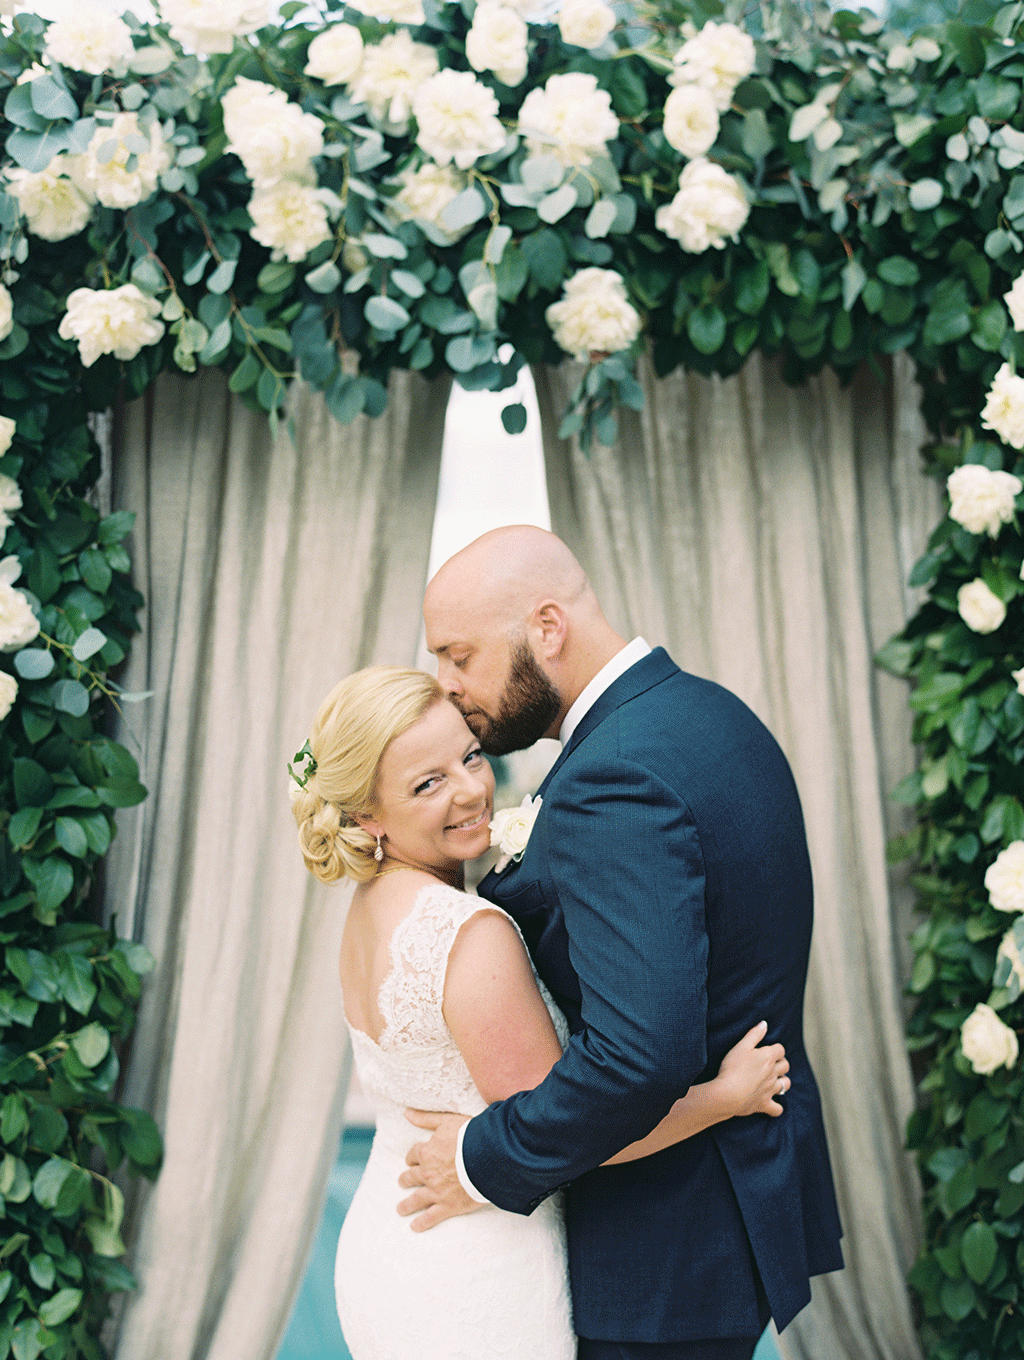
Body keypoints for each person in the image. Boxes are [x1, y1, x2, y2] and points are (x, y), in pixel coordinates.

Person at [399, 525, 844, 1360]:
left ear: (547, 628)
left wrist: (476, 1158)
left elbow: (640, 1056)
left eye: (460, 656)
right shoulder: (709, 713)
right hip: (725, 1216)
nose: (446, 685)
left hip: (661, 1254)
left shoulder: (614, 777)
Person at [291, 664, 792, 1360]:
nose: (470, 790)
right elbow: (578, 1134)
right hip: (476, 1279)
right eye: (426, 784)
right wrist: (724, 1098)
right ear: (366, 814)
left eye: (469, 756)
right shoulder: (469, 937)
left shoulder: (370, 908)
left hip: (392, 1246)